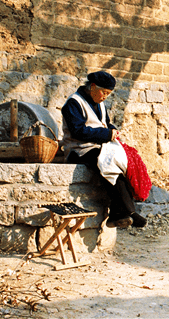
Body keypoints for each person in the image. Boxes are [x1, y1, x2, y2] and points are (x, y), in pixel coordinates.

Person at [61, 71, 147, 229]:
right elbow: (78, 131)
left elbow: (105, 123)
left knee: (123, 161)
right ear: (93, 87)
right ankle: (129, 212)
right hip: (78, 150)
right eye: (104, 92)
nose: (105, 96)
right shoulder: (74, 103)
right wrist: (106, 134)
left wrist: (113, 131)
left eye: (108, 94)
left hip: (98, 146)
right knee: (108, 164)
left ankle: (117, 214)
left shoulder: (99, 103)